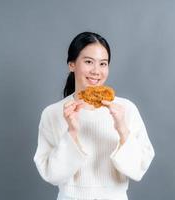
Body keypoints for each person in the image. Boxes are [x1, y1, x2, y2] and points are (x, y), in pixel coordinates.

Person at [33, 32, 155, 200]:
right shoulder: (53, 113)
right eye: (89, 62)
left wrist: (122, 129)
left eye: (103, 64)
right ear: (72, 64)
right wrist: (72, 132)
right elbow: (52, 175)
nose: (96, 71)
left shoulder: (126, 109)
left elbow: (137, 170)